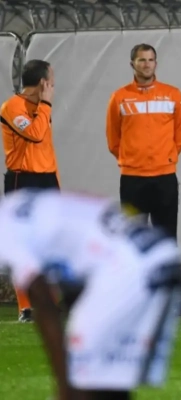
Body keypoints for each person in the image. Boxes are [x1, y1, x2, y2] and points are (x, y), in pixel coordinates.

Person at [0, 188, 181, 400]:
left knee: (83, 383)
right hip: (162, 253)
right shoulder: (18, 202)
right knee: (108, 383)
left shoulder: (5, 234)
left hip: (125, 266)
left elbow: (43, 300)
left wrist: (65, 385)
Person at [105, 43, 181, 318]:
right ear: (132, 64)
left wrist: (165, 159)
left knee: (167, 241)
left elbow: (180, 135)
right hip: (132, 178)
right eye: (141, 60)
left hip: (164, 177)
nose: (146, 64)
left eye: (151, 60)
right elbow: (113, 139)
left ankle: (171, 302)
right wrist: (131, 159)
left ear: (156, 63)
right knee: (132, 245)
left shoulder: (173, 95)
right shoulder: (119, 97)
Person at [0, 59, 60, 323]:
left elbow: (46, 148)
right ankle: (26, 307)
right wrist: (46, 104)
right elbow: (35, 134)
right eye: (52, 81)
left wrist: (56, 181)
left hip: (47, 179)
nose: (54, 86)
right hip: (22, 180)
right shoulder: (12, 107)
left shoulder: (42, 109)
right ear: (43, 83)